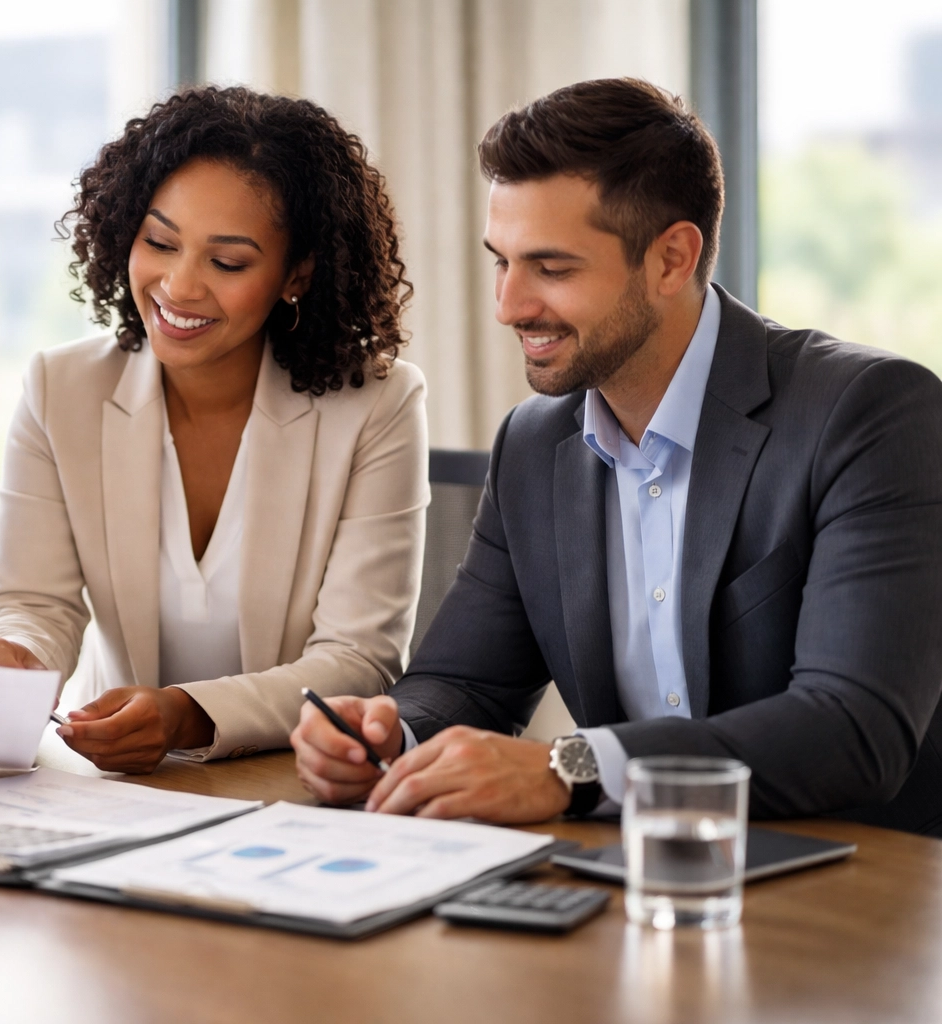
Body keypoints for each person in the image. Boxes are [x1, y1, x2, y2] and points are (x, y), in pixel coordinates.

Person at [291, 77, 942, 836]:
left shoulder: (871, 414)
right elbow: (463, 681)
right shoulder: (533, 444)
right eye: (501, 261)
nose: (509, 304)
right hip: (627, 881)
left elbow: (852, 729)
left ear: (672, 259)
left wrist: (568, 768)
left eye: (553, 269)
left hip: (857, 887)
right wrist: (386, 735)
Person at [0, 86, 428, 773]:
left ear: (296, 274)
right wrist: (14, 654)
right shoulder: (60, 390)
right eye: (159, 242)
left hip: (293, 783)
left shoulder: (377, 404)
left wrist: (188, 712)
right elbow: (37, 602)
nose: (179, 287)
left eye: (228, 261)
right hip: (116, 784)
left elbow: (358, 659)